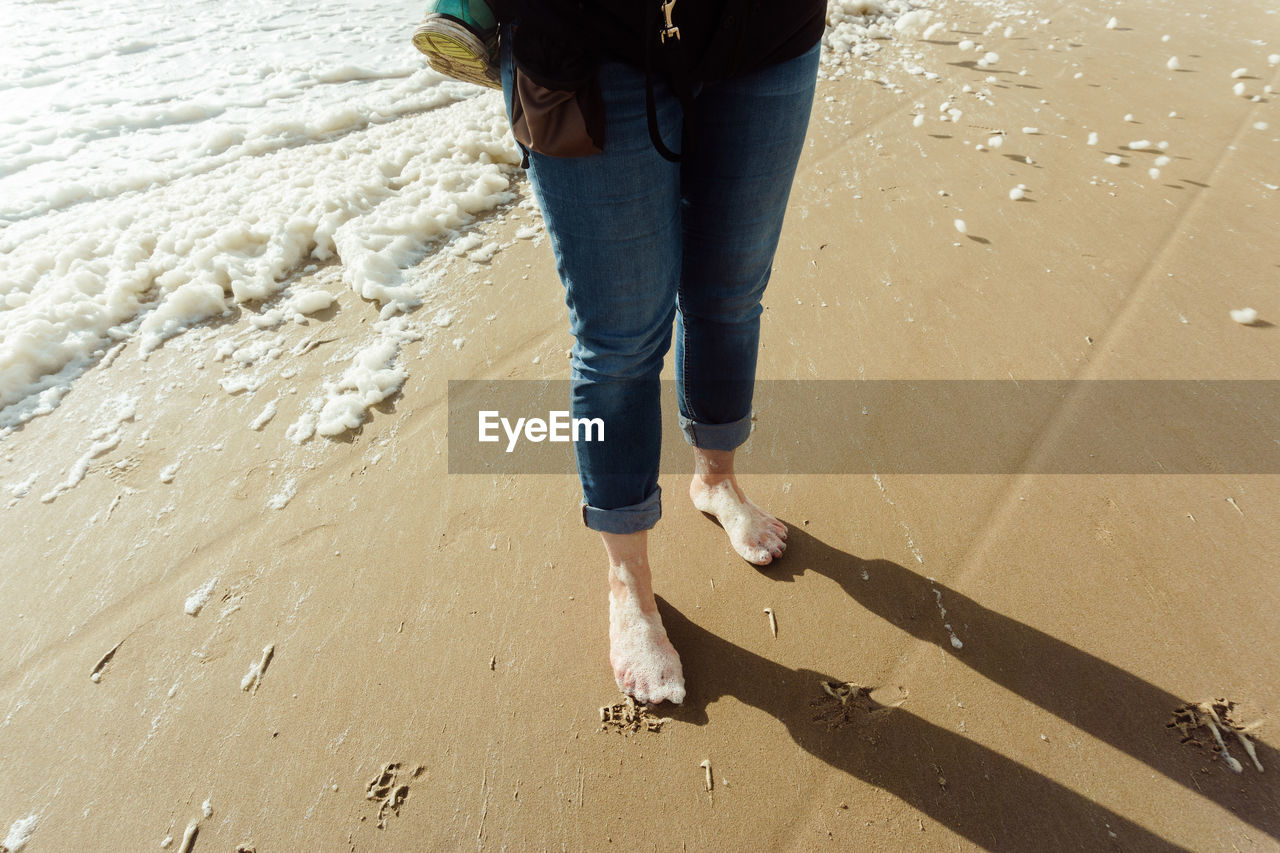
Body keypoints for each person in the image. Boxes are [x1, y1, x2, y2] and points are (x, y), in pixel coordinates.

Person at [444, 0, 826, 704]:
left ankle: (716, 478)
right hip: (584, 38)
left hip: (771, 26)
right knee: (619, 340)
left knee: (731, 290)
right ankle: (627, 576)